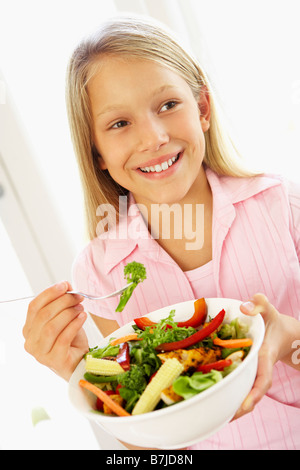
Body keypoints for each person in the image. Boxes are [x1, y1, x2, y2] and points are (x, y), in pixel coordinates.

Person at [23, 15, 300, 450]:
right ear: (96, 151)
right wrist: (88, 378)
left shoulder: (282, 204)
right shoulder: (100, 271)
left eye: (168, 105)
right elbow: (150, 452)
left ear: (203, 109)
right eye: (119, 124)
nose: (153, 137)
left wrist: (288, 339)